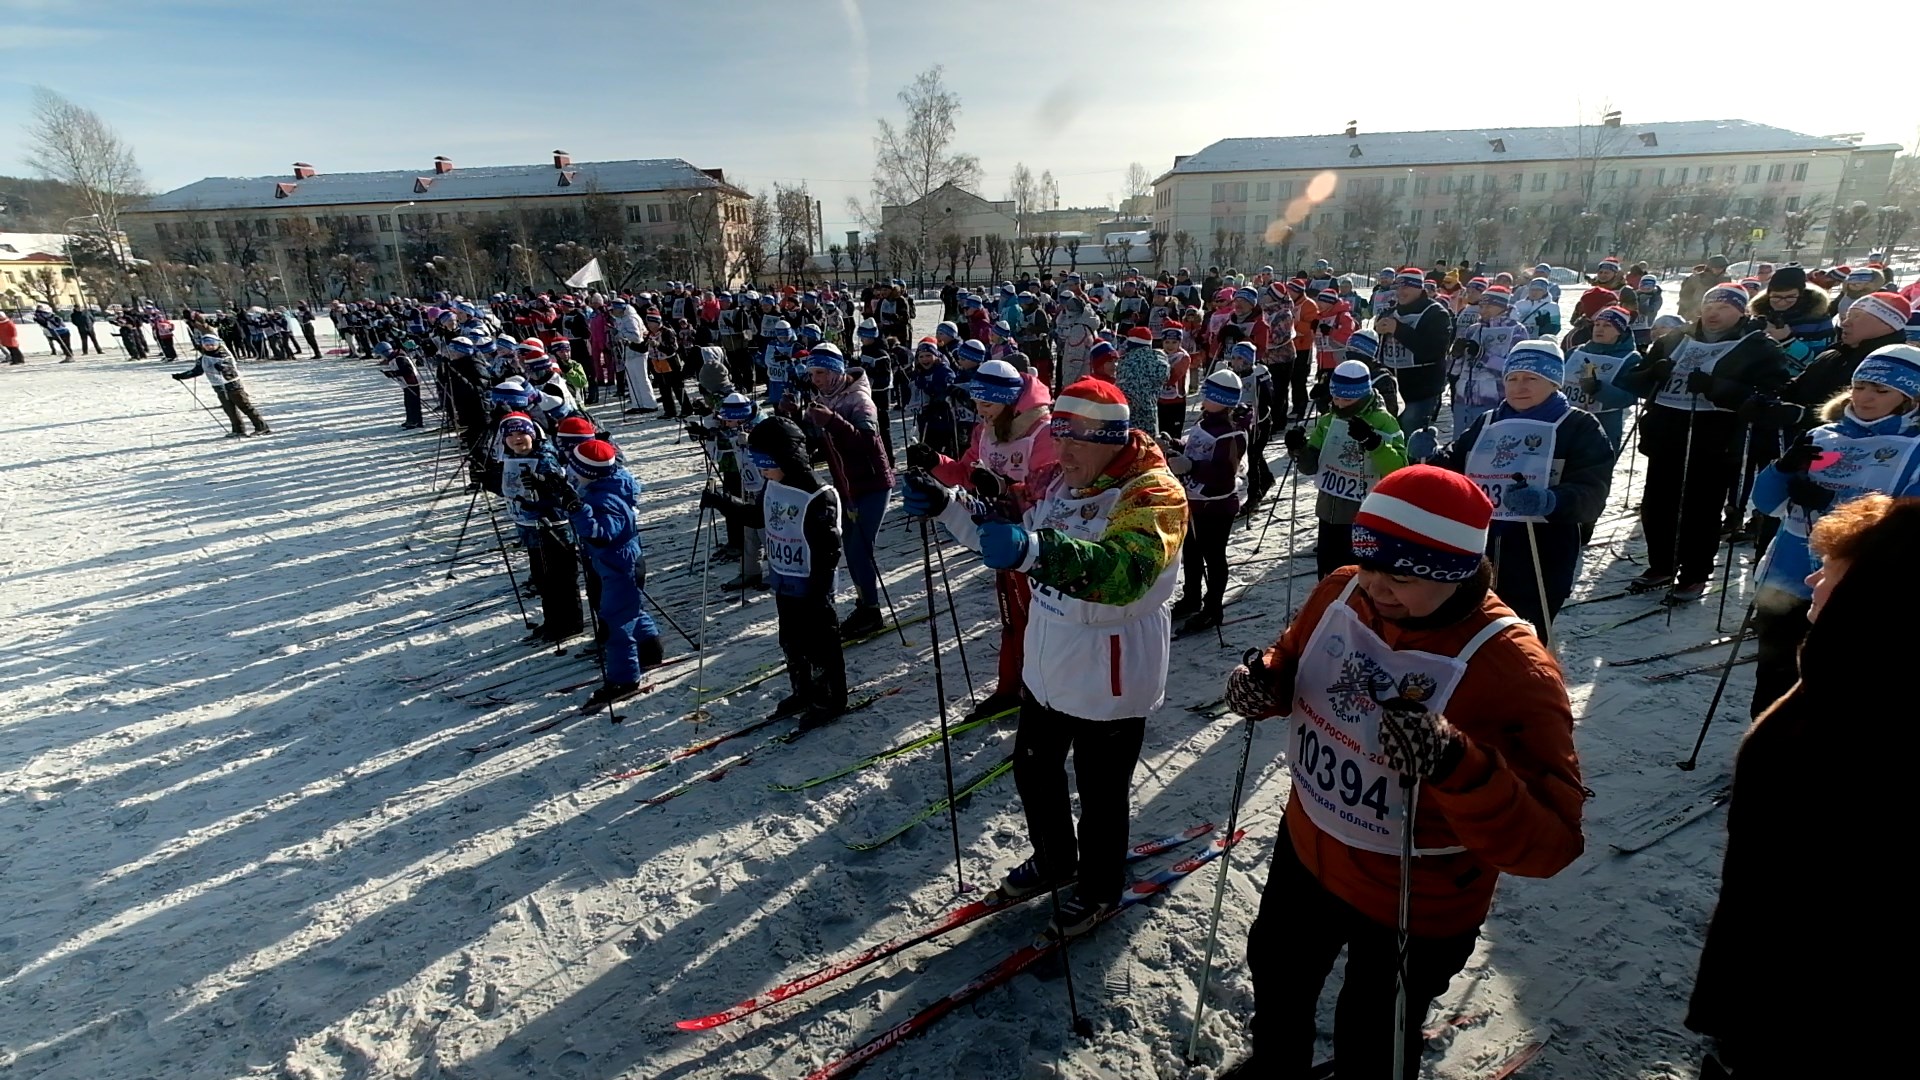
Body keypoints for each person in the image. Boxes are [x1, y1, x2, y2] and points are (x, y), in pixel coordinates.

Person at [1218, 465, 1584, 1080]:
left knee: (1373, 1029)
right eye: (1369, 565)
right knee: (1278, 974)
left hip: (1416, 897)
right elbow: (1295, 660)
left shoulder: (1514, 670)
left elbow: (1551, 844)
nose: (1378, 589)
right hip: (1308, 845)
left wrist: (1455, 764)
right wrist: (1268, 681)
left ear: (1458, 569)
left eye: (1403, 576)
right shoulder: (1341, 590)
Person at [900, 378, 1187, 938]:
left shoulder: (1153, 494)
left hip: (1111, 673)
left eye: (1077, 440)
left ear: (1112, 438)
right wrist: (947, 507)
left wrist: (1034, 550)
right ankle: (1057, 859)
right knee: (1033, 769)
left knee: (1101, 794)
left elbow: (1124, 572)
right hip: (1047, 662)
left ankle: (1100, 889)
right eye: (1059, 436)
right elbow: (1012, 535)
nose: (1063, 452)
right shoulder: (1061, 481)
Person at [1687, 493, 1919, 1080]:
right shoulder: (1845, 668)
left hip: (1806, 1000)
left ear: (1873, 590)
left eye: (1833, 569)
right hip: (1768, 964)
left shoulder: (1865, 708)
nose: (1814, 576)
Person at [1743, 344, 1920, 719]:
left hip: (1855, 585)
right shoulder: (1822, 436)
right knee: (1773, 674)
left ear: (1910, 398)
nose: (1866, 397)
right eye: (1860, 386)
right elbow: (1765, 503)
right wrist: (1782, 469)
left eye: (1881, 391)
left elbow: (1907, 526)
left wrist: (1831, 506)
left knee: (1833, 681)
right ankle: (1766, 750)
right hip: (1787, 577)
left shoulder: (1914, 449)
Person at [1613, 283, 1789, 601]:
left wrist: (1716, 387)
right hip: (1666, 435)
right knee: (1657, 505)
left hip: (1715, 440)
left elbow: (1769, 395)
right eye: (1709, 305)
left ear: (1741, 311)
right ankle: (1662, 564)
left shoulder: (1757, 346)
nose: (1714, 313)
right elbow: (1630, 381)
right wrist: (1654, 371)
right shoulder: (1676, 338)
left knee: (1701, 511)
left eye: (1724, 307)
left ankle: (1695, 573)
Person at [1430, 340, 1614, 634]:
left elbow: (1592, 491)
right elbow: (1456, 463)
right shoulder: (1488, 421)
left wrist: (1550, 501)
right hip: (1481, 547)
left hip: (1541, 553)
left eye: (1531, 378)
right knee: (1470, 630)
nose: (1519, 386)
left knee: (1524, 634)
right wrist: (1430, 458)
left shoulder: (1579, 426)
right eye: (1512, 378)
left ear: (1554, 382)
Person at [917, 358, 1058, 720]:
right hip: (998, 535)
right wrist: (935, 461)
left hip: (1034, 542)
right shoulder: (987, 430)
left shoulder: (1041, 432)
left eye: (988, 403)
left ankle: (1039, 693)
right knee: (1011, 619)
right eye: (977, 403)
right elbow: (967, 472)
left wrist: (1008, 490)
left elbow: (1050, 490)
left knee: (1038, 621)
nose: (980, 411)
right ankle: (1009, 689)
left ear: (1009, 401)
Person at [701, 416, 848, 726]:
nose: (762, 469)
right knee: (792, 640)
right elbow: (757, 517)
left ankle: (829, 699)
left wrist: (821, 591)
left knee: (821, 644)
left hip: (812, 584)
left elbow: (828, 548)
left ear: (788, 457)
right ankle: (802, 690)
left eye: (767, 462)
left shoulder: (817, 495)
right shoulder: (774, 485)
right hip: (784, 580)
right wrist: (722, 501)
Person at [546, 437, 661, 708]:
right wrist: (562, 495)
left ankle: (624, 678)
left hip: (620, 565)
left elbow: (601, 534)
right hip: (617, 563)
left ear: (586, 472)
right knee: (631, 610)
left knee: (615, 622)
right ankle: (650, 648)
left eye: (573, 470)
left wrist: (577, 508)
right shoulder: (606, 483)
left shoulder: (606, 498)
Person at [800, 343, 893, 640]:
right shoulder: (825, 396)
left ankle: (872, 610)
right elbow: (824, 442)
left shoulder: (859, 400)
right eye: (813, 373)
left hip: (873, 483)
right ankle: (864, 602)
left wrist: (832, 421)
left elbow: (868, 443)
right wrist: (797, 418)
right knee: (850, 547)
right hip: (847, 484)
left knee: (859, 549)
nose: (816, 379)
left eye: (822, 372)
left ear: (837, 371)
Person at [1285, 359, 1409, 578]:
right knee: (1328, 572)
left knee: (1355, 575)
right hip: (1328, 511)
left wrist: (1373, 442)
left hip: (1362, 515)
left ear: (1363, 394)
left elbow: (1399, 468)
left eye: (1348, 398)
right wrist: (1299, 449)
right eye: (1336, 397)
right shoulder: (1328, 420)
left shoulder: (1384, 422)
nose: (1341, 404)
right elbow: (1311, 466)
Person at [1168, 369, 1249, 634]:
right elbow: (1195, 446)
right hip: (1193, 501)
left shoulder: (1231, 434)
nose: (1203, 399)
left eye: (1208, 395)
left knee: (1213, 557)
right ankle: (1191, 597)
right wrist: (1176, 445)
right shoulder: (1205, 422)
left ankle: (1213, 608)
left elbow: (1224, 474)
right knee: (1191, 552)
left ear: (1222, 400)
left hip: (1216, 506)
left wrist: (1189, 466)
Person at [498, 412, 585, 643]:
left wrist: (542, 493)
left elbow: (562, 492)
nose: (517, 439)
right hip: (530, 529)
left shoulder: (545, 457)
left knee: (562, 578)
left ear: (533, 434)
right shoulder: (509, 458)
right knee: (542, 578)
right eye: (512, 435)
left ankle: (570, 623)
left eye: (522, 434)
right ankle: (552, 620)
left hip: (554, 529)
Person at [1373, 269, 1452, 432]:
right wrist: (1376, 332)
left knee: (1411, 437)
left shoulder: (1436, 313)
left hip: (1420, 390)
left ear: (1419, 288)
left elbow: (1434, 350)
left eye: (1406, 287)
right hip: (1391, 389)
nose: (1400, 292)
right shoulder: (1390, 311)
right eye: (1398, 287)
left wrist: (1399, 330)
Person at [1563, 305, 1642, 456]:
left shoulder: (1630, 358)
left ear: (1620, 330)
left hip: (1604, 424)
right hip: (1568, 421)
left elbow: (1628, 398)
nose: (1599, 329)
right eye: (1597, 324)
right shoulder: (1576, 352)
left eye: (1607, 326)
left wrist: (1597, 388)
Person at [172, 333, 272, 437]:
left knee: (245, 407)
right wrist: (181, 376)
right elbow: (197, 371)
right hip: (218, 386)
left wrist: (223, 368)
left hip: (233, 385)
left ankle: (262, 427)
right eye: (206, 344)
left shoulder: (224, 355)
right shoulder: (203, 358)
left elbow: (231, 370)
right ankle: (238, 430)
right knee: (229, 409)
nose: (209, 346)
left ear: (217, 344)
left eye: (212, 344)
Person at [1115, 326, 1170, 436]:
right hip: (1149, 412)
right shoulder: (1159, 361)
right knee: (1147, 445)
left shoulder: (1123, 361)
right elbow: (1164, 379)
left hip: (1127, 412)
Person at [375, 341, 426, 429]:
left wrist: (394, 373)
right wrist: (391, 373)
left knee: (413, 403)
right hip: (407, 383)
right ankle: (410, 419)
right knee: (408, 403)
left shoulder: (399, 358)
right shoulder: (394, 358)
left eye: (381, 355)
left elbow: (408, 370)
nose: (381, 357)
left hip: (412, 382)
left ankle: (416, 421)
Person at [1155, 322, 1193, 437]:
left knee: (1174, 433)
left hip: (1177, 400)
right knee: (1161, 430)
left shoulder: (1183, 357)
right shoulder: (1158, 355)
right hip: (1160, 399)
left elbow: (1173, 377)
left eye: (1174, 342)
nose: (1170, 346)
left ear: (1179, 342)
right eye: (1167, 342)